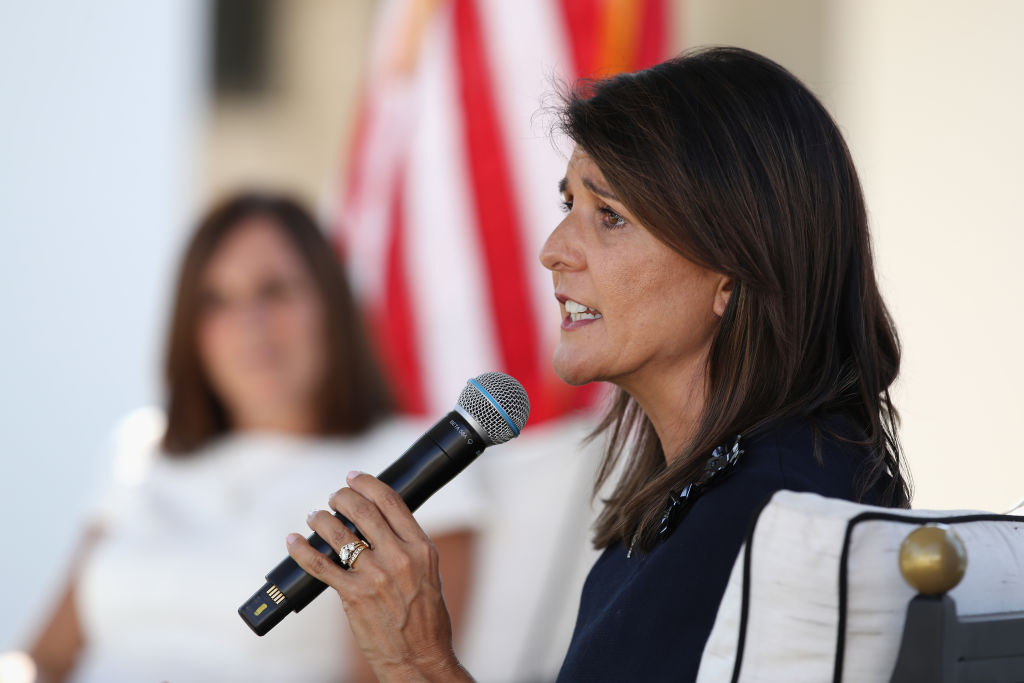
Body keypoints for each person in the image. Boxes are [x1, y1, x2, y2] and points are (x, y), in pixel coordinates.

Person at [288, 45, 911, 681]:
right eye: (569, 207)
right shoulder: (697, 501)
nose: (553, 251)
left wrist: (415, 659)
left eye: (609, 216)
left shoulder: (775, 516)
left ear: (732, 267)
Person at [27, 193, 482, 683]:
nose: (251, 325)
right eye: (217, 301)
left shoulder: (415, 464)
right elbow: (46, 657)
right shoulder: (141, 447)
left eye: (275, 291)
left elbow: (402, 669)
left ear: (329, 303)